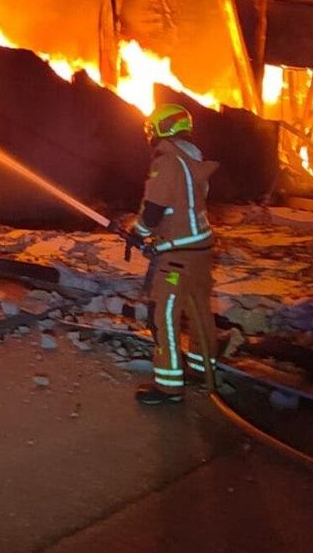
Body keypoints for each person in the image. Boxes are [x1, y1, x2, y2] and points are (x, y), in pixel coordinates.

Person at [127, 103, 219, 405]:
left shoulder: (167, 161)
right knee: (199, 311)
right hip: (201, 249)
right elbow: (177, 207)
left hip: (178, 255)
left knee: (163, 316)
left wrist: (137, 232)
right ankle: (201, 367)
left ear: (161, 127)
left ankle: (168, 386)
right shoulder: (192, 159)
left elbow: (153, 210)